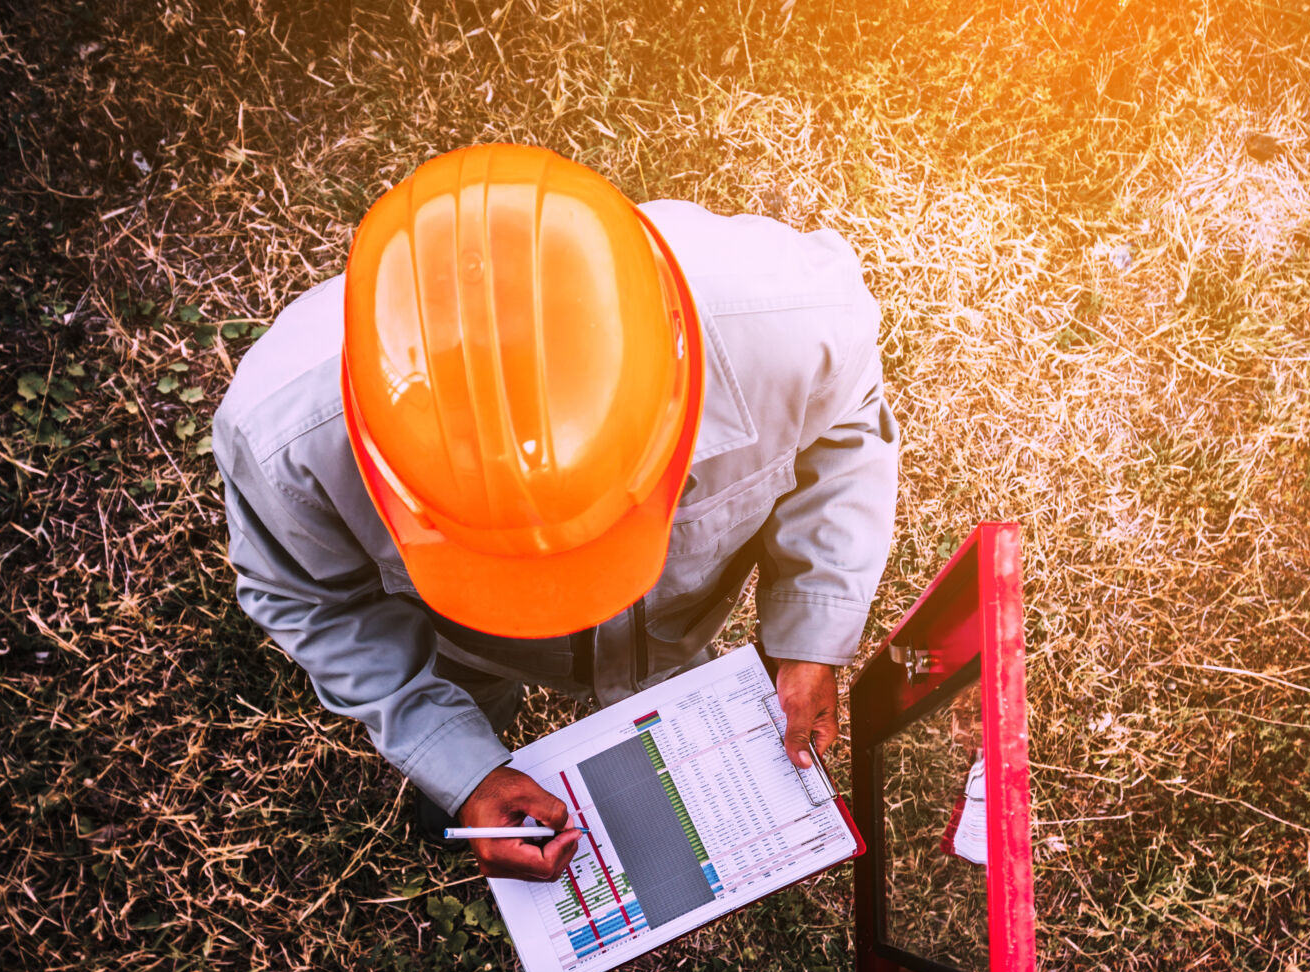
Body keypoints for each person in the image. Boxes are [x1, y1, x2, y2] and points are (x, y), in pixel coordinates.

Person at [212, 145, 898, 885]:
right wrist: (459, 764)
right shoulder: (284, 440)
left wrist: (810, 632)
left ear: (677, 385)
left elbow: (848, 433)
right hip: (466, 651)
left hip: (676, 639)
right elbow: (312, 603)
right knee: (473, 696)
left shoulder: (793, 320)